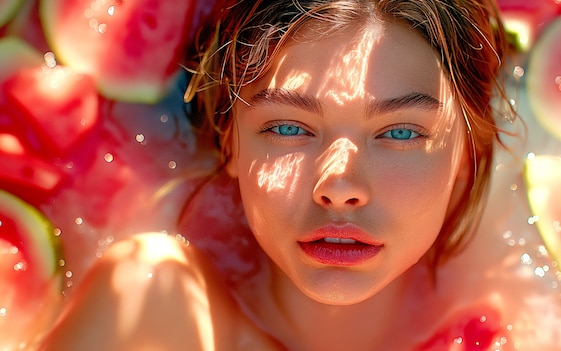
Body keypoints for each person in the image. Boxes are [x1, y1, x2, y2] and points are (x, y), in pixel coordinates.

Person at [40, 0, 513, 349]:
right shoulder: (155, 308)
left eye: (402, 133)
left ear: (466, 154)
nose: (340, 187)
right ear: (230, 142)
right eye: (289, 127)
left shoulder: (532, 321)